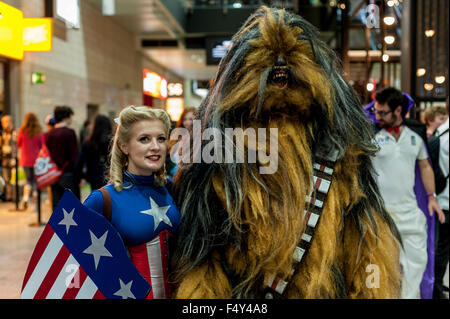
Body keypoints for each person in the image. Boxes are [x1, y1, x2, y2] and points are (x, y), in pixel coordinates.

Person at [83, 106, 181, 299]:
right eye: (144, 139)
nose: (155, 146)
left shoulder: (171, 188)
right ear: (123, 145)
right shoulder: (103, 199)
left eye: (161, 139)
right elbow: (72, 261)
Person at [371, 87, 445, 299]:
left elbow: (425, 167)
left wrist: (432, 198)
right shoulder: (372, 138)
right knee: (379, 269)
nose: (378, 116)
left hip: (410, 216)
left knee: (416, 267)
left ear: (398, 110)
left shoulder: (415, 138)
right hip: (381, 217)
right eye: (376, 111)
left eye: (383, 112)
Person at [45, 105, 79, 210]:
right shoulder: (70, 133)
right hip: (68, 174)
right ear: (66, 117)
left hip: (53, 175)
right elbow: (74, 156)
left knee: (56, 206)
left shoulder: (48, 134)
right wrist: (79, 176)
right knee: (73, 208)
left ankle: (56, 227)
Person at [433, 100, 449, 299]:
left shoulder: (440, 133)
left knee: (441, 248)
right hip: (445, 201)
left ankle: (436, 287)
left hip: (441, 199)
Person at [75, 115, 112, 191]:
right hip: (111, 178)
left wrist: (82, 177)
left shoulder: (88, 143)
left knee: (97, 200)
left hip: (94, 179)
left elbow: (79, 163)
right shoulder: (112, 142)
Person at [16, 113, 44, 210]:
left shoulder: (22, 131)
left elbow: (18, 143)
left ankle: (26, 198)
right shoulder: (39, 131)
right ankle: (36, 204)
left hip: (25, 160)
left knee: (28, 181)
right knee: (35, 182)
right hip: (36, 160)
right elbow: (42, 146)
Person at [167, 107, 196, 177]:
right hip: (172, 175)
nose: (187, 122)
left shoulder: (198, 138)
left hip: (187, 176)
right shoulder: (178, 136)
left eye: (190, 119)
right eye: (185, 119)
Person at [0, 115, 17, 202]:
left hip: (12, 158)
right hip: (4, 158)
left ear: (10, 122)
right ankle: (9, 196)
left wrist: (15, 157)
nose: (5, 124)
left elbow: (16, 146)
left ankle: (15, 197)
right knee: (6, 179)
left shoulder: (14, 133)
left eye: (6, 122)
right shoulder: (2, 133)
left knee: (14, 178)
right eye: (3, 122)